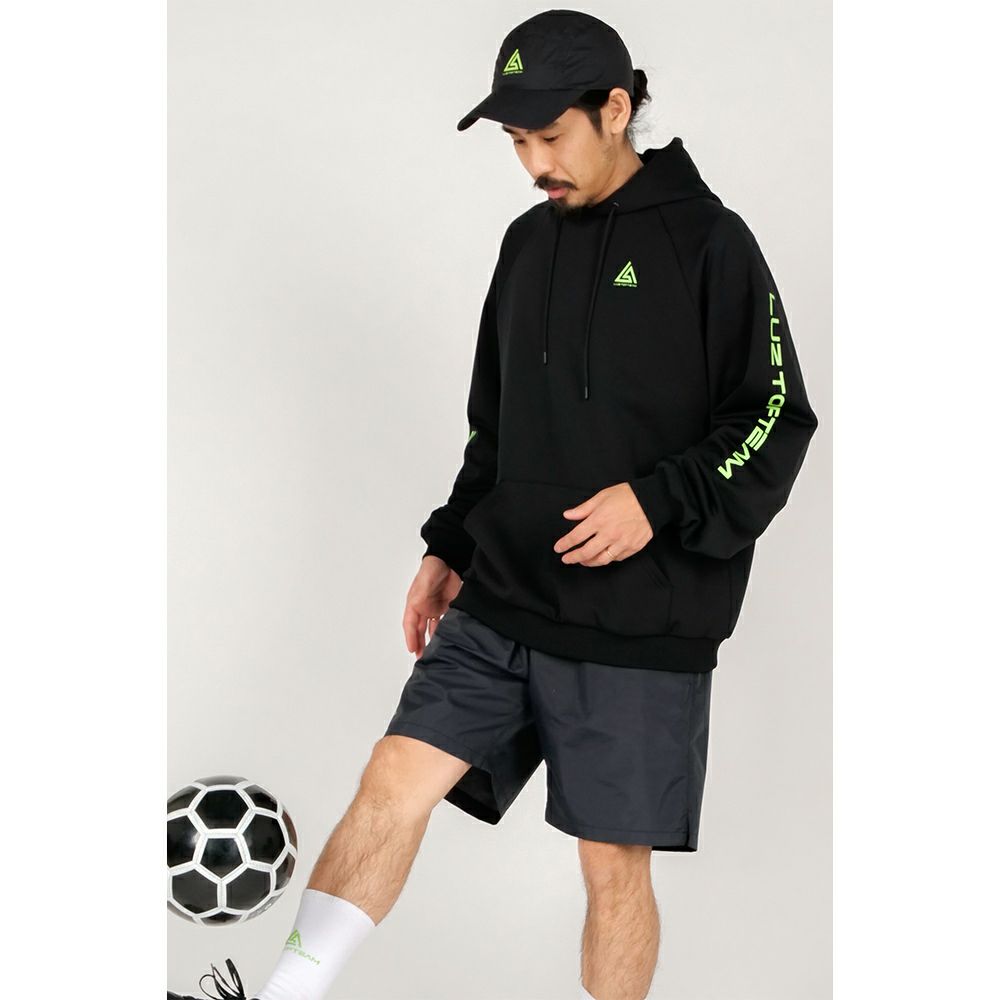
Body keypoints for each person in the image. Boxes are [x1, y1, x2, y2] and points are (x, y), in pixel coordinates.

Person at [169, 9, 819, 1000]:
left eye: (548, 135)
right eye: (517, 141)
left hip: (637, 620)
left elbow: (774, 416)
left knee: (611, 866)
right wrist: (450, 545)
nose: (533, 165)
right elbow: (497, 427)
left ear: (615, 109)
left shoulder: (710, 242)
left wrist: (656, 502)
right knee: (392, 779)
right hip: (505, 593)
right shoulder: (527, 245)